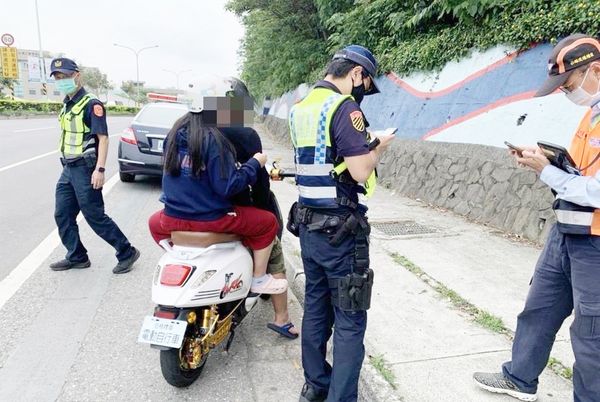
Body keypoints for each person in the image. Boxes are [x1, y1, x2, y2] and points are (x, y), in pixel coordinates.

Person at [473, 34, 600, 402]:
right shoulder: (590, 115)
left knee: (591, 335)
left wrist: (547, 171)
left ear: (595, 69)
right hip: (568, 232)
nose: (565, 92)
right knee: (538, 310)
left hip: (595, 243)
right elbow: (582, 175)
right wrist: (550, 161)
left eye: (568, 84)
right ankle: (519, 378)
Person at [288, 45, 395, 402]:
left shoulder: (301, 107)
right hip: (340, 232)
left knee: (316, 308)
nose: (363, 89)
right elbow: (360, 169)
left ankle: (316, 386)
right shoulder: (344, 107)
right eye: (364, 81)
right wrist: (378, 145)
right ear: (355, 74)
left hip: (308, 227)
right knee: (350, 318)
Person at [148, 78, 288, 295]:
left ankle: (183, 256)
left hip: (171, 216)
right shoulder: (215, 138)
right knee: (268, 223)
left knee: (152, 222)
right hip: (211, 217)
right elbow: (228, 186)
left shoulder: (176, 132)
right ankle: (259, 279)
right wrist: (255, 163)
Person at [219, 78, 299, 338]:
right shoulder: (245, 135)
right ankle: (282, 318)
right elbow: (259, 181)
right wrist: (263, 204)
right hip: (234, 210)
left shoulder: (197, 131)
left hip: (194, 211)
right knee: (272, 242)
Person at [48, 58, 140, 274]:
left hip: (85, 169)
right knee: (62, 214)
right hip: (68, 169)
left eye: (65, 76)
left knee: (94, 215)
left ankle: (126, 251)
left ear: (76, 76)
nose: (61, 81)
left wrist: (99, 169)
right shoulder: (67, 103)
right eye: (57, 78)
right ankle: (77, 256)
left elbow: (103, 138)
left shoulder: (91, 104)